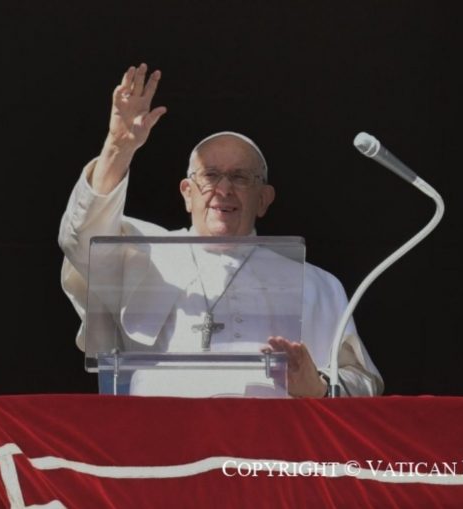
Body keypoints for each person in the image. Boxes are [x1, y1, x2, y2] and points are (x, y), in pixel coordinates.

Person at [59, 63, 383, 397]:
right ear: (187, 192)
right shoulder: (142, 256)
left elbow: (364, 387)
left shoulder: (316, 285)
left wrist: (317, 386)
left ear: (264, 199)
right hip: (160, 439)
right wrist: (117, 148)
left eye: (241, 177)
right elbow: (80, 239)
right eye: (210, 175)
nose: (224, 189)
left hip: (270, 444)